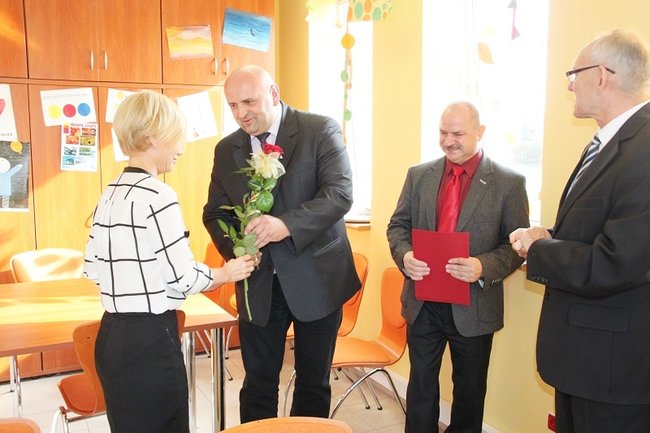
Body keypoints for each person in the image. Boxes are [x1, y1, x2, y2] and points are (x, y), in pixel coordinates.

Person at [83, 90, 255, 433]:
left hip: (112, 337)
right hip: (150, 342)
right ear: (152, 138)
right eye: (177, 137)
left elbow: (93, 268)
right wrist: (226, 273)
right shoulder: (158, 195)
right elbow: (183, 277)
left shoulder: (110, 193)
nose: (181, 147)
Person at [509, 29, 650, 433]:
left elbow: (618, 261)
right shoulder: (607, 142)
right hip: (584, 360)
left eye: (574, 74)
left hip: (613, 370)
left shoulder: (644, 147)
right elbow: (598, 228)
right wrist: (549, 233)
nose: (569, 85)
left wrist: (538, 249)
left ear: (602, 76)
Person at [203, 65, 361, 421]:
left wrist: (285, 225)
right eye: (233, 105)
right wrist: (239, 251)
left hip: (317, 279)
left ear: (273, 94)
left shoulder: (319, 130)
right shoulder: (226, 149)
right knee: (257, 384)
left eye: (249, 102)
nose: (241, 113)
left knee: (313, 384)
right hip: (259, 284)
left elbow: (339, 194)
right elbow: (214, 213)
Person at [387, 101, 529, 433]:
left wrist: (483, 266)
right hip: (423, 302)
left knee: (469, 393)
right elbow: (397, 227)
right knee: (420, 389)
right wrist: (405, 256)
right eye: (443, 133)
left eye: (458, 134)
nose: (448, 141)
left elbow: (516, 246)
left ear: (481, 132)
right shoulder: (419, 175)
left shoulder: (508, 182)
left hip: (474, 306)